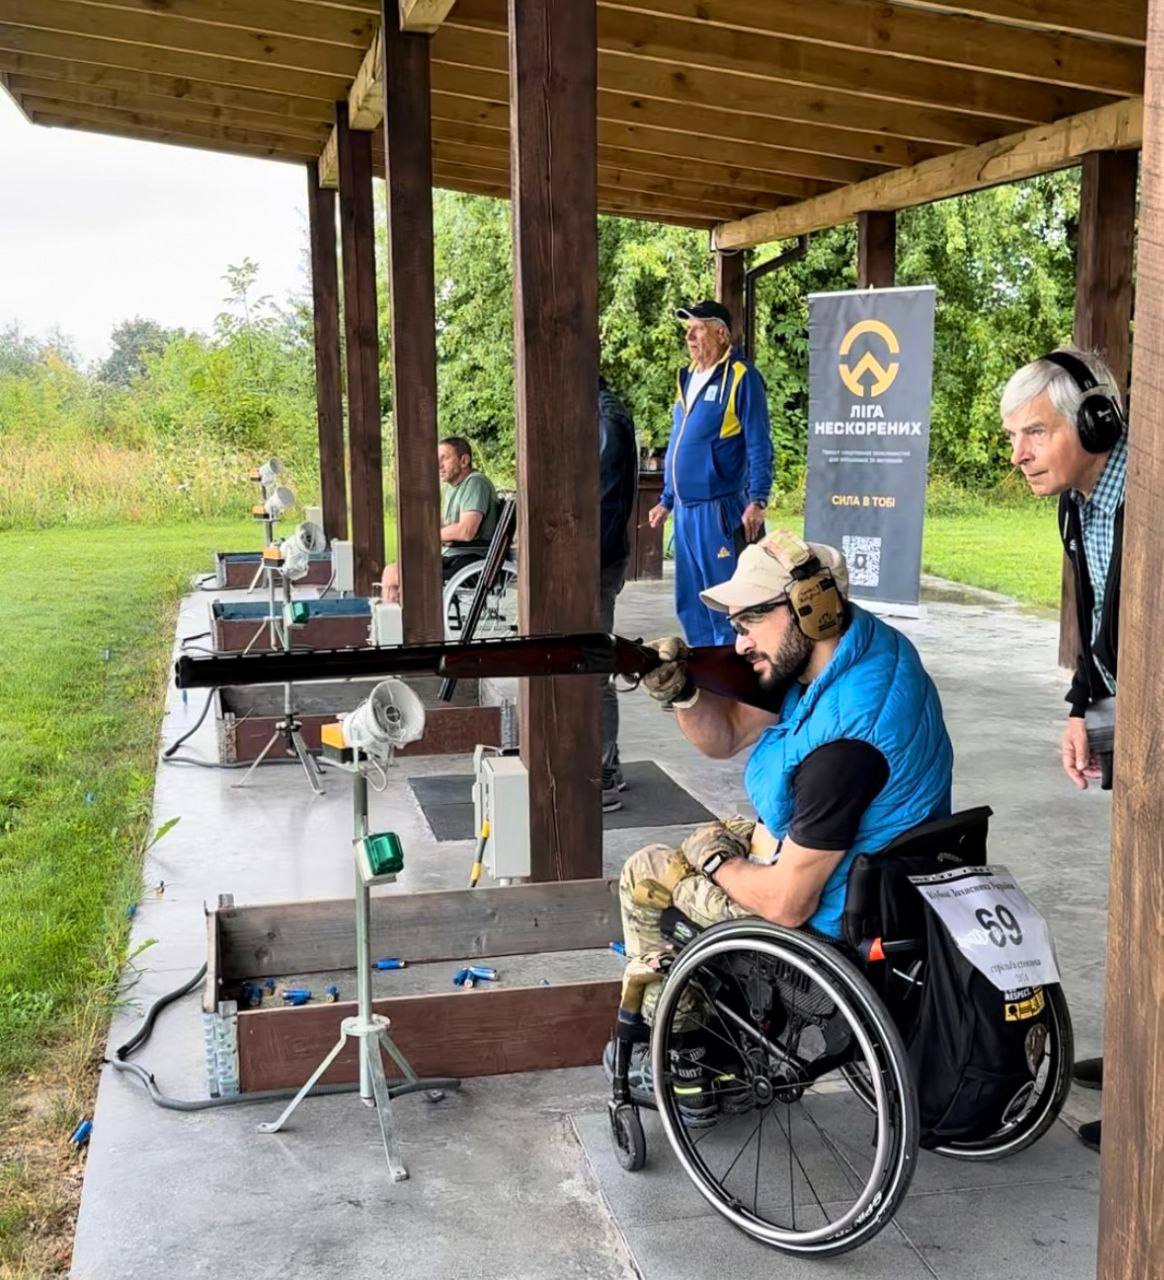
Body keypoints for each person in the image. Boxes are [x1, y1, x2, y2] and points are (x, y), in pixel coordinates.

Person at [607, 530, 954, 1118]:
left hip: (830, 920)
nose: (739, 642)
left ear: (812, 609)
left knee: (648, 874)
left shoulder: (844, 747)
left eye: (751, 621)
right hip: (879, 875)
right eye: (736, 625)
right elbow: (726, 737)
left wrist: (716, 859)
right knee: (715, 836)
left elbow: (788, 905)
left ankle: (689, 1066)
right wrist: (684, 694)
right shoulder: (855, 652)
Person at [1001, 347, 1127, 1154]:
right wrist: (1084, 707)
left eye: (1036, 433)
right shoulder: (1080, 504)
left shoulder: (1149, 498)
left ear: (1095, 421)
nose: (1020, 454)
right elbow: (1102, 618)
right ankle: (1142, 1055)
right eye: (1014, 437)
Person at [647, 300, 774, 647]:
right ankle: (706, 673)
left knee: (725, 604)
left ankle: (732, 671)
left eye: (698, 328)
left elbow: (759, 443)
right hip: (685, 512)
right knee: (691, 604)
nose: (689, 336)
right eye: (688, 329)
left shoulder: (742, 377)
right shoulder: (687, 377)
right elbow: (678, 442)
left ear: (721, 334)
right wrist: (667, 499)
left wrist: (758, 499)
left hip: (718, 510)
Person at [379, 436, 500, 603]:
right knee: (394, 570)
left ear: (464, 461)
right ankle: (401, 614)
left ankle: (395, 616)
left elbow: (466, 531)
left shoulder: (475, 483)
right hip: (456, 555)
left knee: (393, 573)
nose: (438, 465)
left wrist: (430, 535)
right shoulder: (453, 487)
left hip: (471, 559)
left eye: (444, 458)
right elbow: (448, 525)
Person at [598, 376, 639, 813]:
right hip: (594, 558)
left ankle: (604, 772)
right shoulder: (599, 414)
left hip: (595, 560)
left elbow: (606, 502)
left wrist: (584, 562)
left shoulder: (605, 419)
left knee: (593, 668)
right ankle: (606, 763)